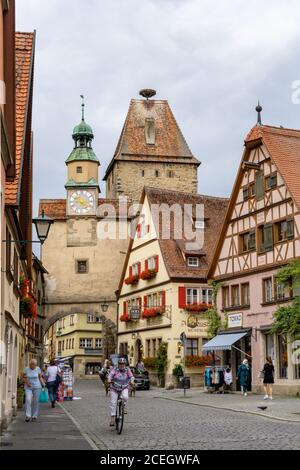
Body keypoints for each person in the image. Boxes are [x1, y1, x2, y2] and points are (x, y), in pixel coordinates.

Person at [107, 357, 134, 426]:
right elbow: (110, 375)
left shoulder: (127, 370)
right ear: (118, 364)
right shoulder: (115, 369)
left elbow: (131, 376)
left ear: (125, 364)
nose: (122, 365)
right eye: (120, 364)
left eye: (123, 364)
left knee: (125, 397)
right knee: (113, 402)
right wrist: (109, 380)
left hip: (124, 387)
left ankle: (123, 406)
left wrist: (132, 381)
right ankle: (112, 418)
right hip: (114, 388)